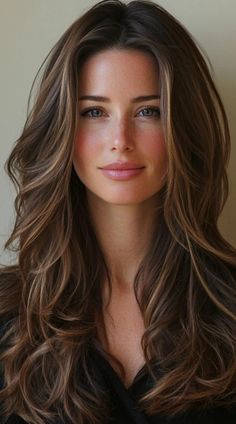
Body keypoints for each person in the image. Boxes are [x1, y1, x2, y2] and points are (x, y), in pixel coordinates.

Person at [1, 0, 236, 422]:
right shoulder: (9, 314)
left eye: (149, 111)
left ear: (183, 126)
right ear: (62, 130)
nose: (120, 139)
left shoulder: (230, 306)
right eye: (94, 112)